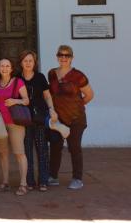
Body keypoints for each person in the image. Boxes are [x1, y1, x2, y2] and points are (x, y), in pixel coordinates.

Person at [48, 45, 94, 190]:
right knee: (55, 147)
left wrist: (77, 106)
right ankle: (53, 176)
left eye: (67, 55)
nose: (63, 58)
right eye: (61, 55)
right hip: (58, 118)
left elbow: (89, 95)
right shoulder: (52, 74)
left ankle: (77, 179)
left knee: (74, 148)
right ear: (57, 57)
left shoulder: (78, 76)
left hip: (76, 118)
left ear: (72, 58)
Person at [0, 58, 31, 196]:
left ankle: (23, 184)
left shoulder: (18, 82)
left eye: (7, 66)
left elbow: (26, 100)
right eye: (2, 66)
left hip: (15, 122)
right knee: (2, 153)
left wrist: (15, 101)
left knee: (19, 153)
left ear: (11, 68)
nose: (4, 68)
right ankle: (5, 182)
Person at [18, 50, 58, 192]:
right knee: (27, 150)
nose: (28, 63)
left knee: (42, 149)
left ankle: (43, 181)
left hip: (39, 118)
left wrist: (51, 109)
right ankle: (29, 181)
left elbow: (47, 96)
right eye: (25, 61)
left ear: (34, 63)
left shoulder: (40, 77)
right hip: (23, 119)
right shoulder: (17, 78)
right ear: (21, 63)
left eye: (31, 61)